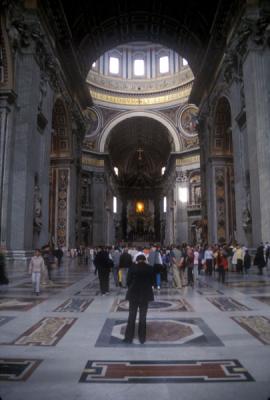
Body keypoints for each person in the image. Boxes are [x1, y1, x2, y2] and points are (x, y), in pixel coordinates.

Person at [123, 254, 154, 344]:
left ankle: (129, 338)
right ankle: (142, 338)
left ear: (137, 260)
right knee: (143, 317)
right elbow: (153, 282)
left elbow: (128, 281)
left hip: (133, 294)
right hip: (145, 295)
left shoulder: (132, 268)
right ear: (144, 260)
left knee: (132, 316)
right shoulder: (150, 268)